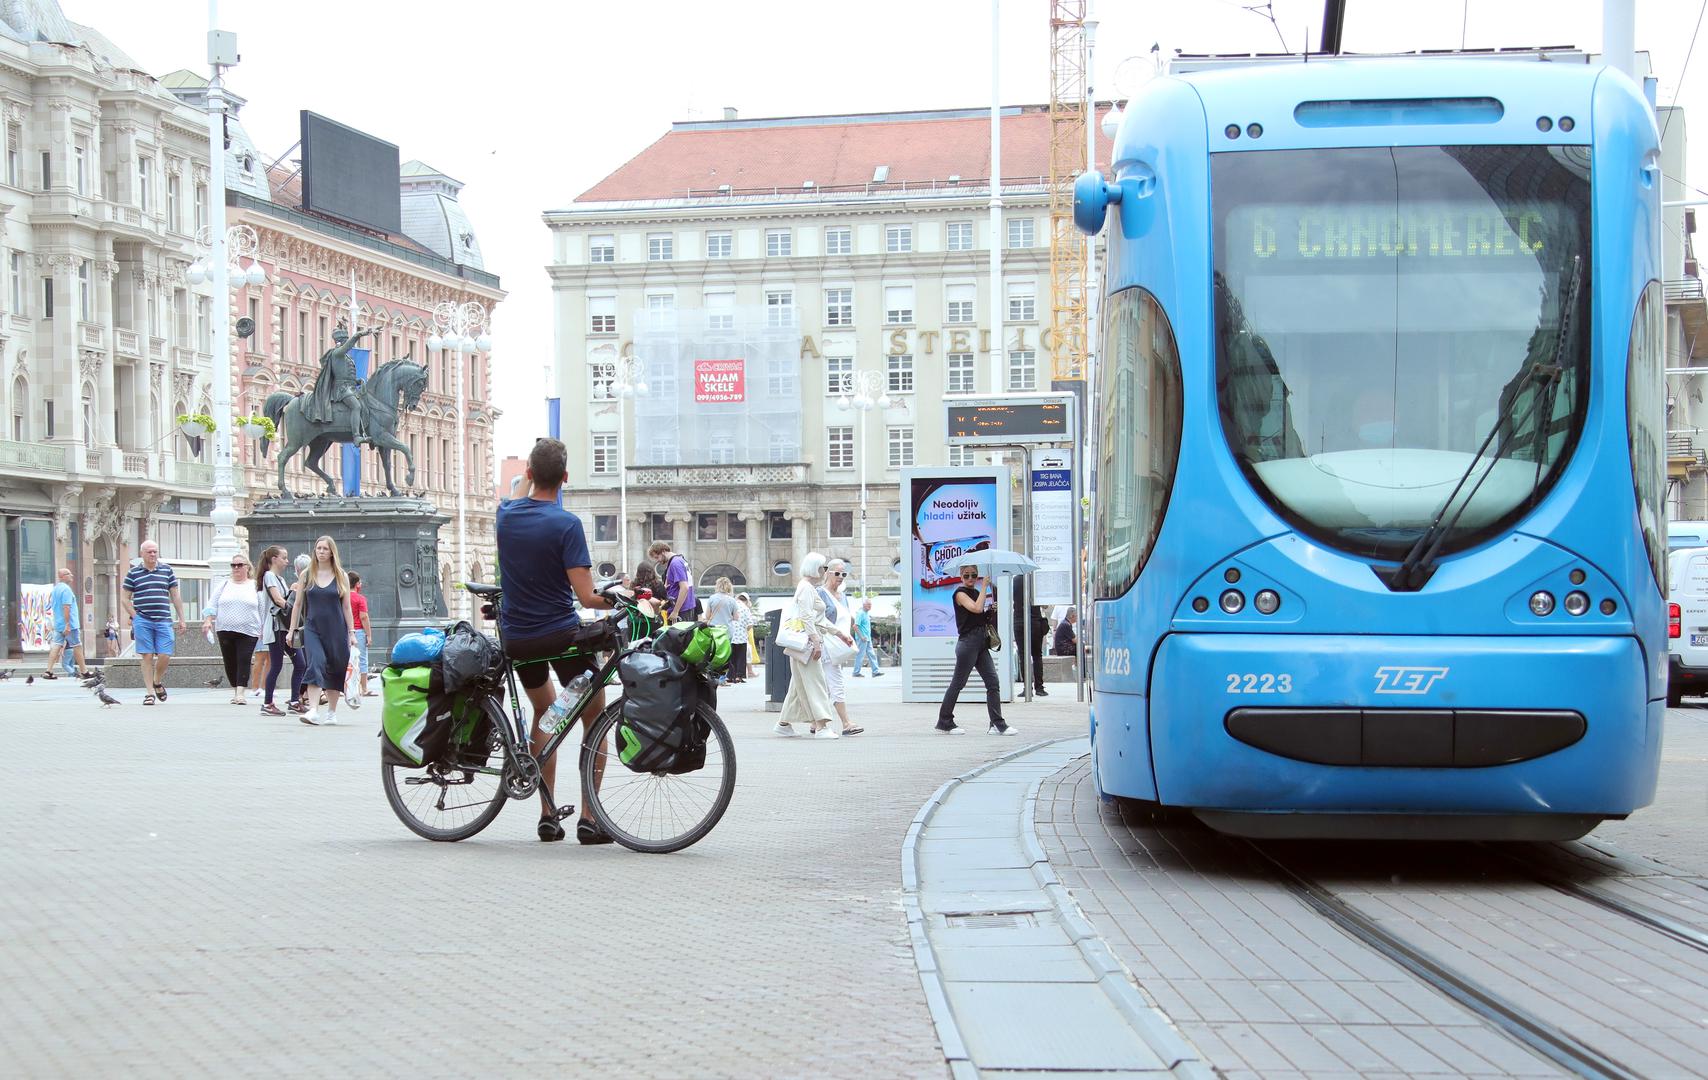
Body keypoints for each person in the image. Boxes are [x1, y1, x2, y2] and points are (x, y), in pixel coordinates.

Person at [499, 438, 622, 844]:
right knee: (594, 714)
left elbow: (516, 495)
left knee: (545, 712)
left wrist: (527, 478)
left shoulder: (506, 516)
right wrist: (623, 595)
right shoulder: (566, 524)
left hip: (518, 638)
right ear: (566, 478)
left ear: (530, 474)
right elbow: (587, 597)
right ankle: (591, 817)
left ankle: (547, 814)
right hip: (560, 637)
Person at [775, 552, 852, 739]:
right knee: (816, 683)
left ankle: (783, 724)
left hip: (802, 644)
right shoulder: (807, 589)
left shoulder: (806, 587)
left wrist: (839, 633)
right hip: (808, 644)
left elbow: (819, 618)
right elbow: (807, 617)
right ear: (815, 568)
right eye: (823, 567)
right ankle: (822, 727)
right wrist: (816, 641)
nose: (824, 571)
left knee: (799, 686)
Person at [287, 536, 356, 726]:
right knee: (315, 663)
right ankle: (313, 710)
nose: (321, 552)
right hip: (312, 627)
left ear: (332, 552)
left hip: (336, 629)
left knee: (335, 667)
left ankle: (332, 712)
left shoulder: (341, 575)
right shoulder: (307, 575)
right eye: (319, 548)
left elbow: (347, 607)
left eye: (325, 549)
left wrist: (352, 633)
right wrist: (291, 630)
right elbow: (298, 604)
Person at [938, 564, 1013, 735]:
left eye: (974, 575)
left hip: (980, 642)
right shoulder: (960, 593)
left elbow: (979, 616)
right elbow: (976, 608)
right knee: (958, 683)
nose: (970, 578)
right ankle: (945, 721)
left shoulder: (975, 593)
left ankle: (997, 723)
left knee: (993, 682)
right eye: (966, 575)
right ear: (961, 577)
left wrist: (990, 611)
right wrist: (985, 587)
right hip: (968, 642)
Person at [121, 540, 185, 706]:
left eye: (155, 551)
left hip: (164, 619)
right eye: (149, 551)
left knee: (165, 654)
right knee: (147, 656)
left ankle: (157, 681)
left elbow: (175, 595)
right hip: (143, 619)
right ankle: (149, 692)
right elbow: (124, 598)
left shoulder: (166, 570)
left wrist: (181, 618)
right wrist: (135, 616)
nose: (153, 554)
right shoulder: (133, 573)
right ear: (142, 553)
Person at [202, 552, 262, 704]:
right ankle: (236, 690)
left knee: (244, 659)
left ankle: (241, 692)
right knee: (230, 661)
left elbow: (262, 607)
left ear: (247, 568)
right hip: (225, 629)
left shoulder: (254, 586)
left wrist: (263, 627)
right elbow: (212, 604)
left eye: (240, 565)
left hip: (249, 629)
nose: (236, 568)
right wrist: (208, 620)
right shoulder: (224, 585)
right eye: (233, 565)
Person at [257, 546, 308, 717]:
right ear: (274, 559)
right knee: (277, 665)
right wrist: (293, 608)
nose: (287, 561)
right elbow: (278, 600)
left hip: (284, 628)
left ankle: (294, 701)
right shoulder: (269, 576)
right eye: (284, 558)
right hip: (276, 627)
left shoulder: (277, 577)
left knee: (300, 664)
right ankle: (268, 703)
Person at [818, 559, 863, 735]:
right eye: (837, 573)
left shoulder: (843, 596)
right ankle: (846, 723)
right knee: (835, 684)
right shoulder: (820, 593)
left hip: (839, 646)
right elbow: (818, 619)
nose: (840, 577)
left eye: (843, 574)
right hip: (826, 646)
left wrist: (852, 633)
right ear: (827, 572)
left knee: (823, 686)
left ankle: (813, 722)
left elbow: (847, 618)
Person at [44, 568, 90, 679]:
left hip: (58, 624)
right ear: (62, 576)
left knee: (56, 645)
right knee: (77, 646)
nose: (72, 575)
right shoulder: (66, 590)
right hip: (70, 624)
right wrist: (68, 624)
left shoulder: (55, 589)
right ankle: (84, 671)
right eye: (69, 574)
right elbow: (66, 607)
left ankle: (48, 671)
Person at [702, 577, 742, 684]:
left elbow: (707, 615)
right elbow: (736, 617)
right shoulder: (732, 600)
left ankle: (711, 675)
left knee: (713, 653)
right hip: (727, 632)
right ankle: (722, 678)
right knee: (725, 655)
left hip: (714, 631)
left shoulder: (712, 598)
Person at [649, 540, 697, 624]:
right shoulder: (679, 560)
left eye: (657, 557)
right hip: (684, 608)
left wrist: (675, 611)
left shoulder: (675, 563)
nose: (657, 561)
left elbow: (684, 587)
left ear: (663, 551)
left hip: (681, 611)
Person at [1013, 594, 1050, 697]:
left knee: (1023, 656)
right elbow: (1045, 605)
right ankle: (1039, 688)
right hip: (1035, 622)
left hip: (1019, 622)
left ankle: (1027, 688)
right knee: (1037, 655)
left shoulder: (1014, 580)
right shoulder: (1034, 581)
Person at [348, 570, 375, 697]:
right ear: (357, 584)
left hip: (344, 632)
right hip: (358, 631)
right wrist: (369, 635)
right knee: (362, 660)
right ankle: (364, 688)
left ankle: (344, 687)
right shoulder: (360, 599)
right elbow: (364, 617)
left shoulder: (341, 597)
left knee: (345, 660)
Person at [850, 597, 883, 678]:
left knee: (872, 654)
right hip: (862, 638)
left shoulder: (866, 614)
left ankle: (875, 671)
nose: (870, 606)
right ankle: (856, 672)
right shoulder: (860, 613)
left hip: (867, 638)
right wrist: (861, 637)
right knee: (860, 655)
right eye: (868, 605)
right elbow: (855, 626)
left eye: (870, 605)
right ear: (864, 605)